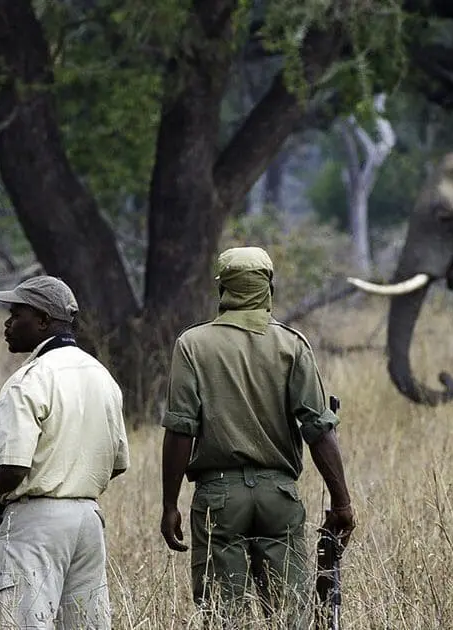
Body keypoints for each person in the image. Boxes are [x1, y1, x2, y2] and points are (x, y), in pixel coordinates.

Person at [157, 246, 357, 628]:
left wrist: (170, 504)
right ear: (269, 287)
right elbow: (318, 429)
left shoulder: (192, 345)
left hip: (218, 497)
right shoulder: (292, 345)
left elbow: (180, 430)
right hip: (278, 495)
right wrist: (342, 501)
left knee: (223, 616)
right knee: (290, 616)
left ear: (222, 289)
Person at [0, 275, 130, 630]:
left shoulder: (28, 379)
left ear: (44, 321)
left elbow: (14, 468)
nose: (8, 323)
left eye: (17, 314)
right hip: (88, 521)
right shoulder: (102, 376)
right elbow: (116, 463)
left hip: (36, 523)